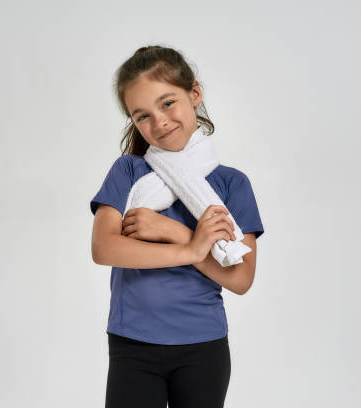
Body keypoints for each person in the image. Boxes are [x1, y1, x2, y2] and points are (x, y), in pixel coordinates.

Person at [90, 45, 265, 408]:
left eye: (167, 103)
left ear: (194, 94)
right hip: (132, 342)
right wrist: (190, 249)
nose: (159, 122)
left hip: (203, 345)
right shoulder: (129, 172)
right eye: (142, 116)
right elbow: (104, 248)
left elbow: (241, 278)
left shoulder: (233, 184)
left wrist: (176, 233)